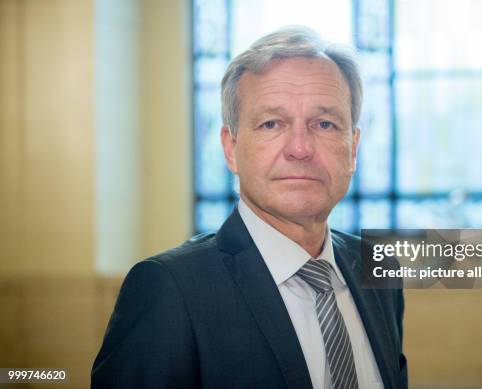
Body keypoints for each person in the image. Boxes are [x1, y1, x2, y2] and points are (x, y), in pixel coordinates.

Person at [91, 26, 407, 389]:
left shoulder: (378, 269)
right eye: (272, 123)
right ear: (231, 148)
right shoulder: (168, 290)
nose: (300, 148)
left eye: (325, 123)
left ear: (352, 148)